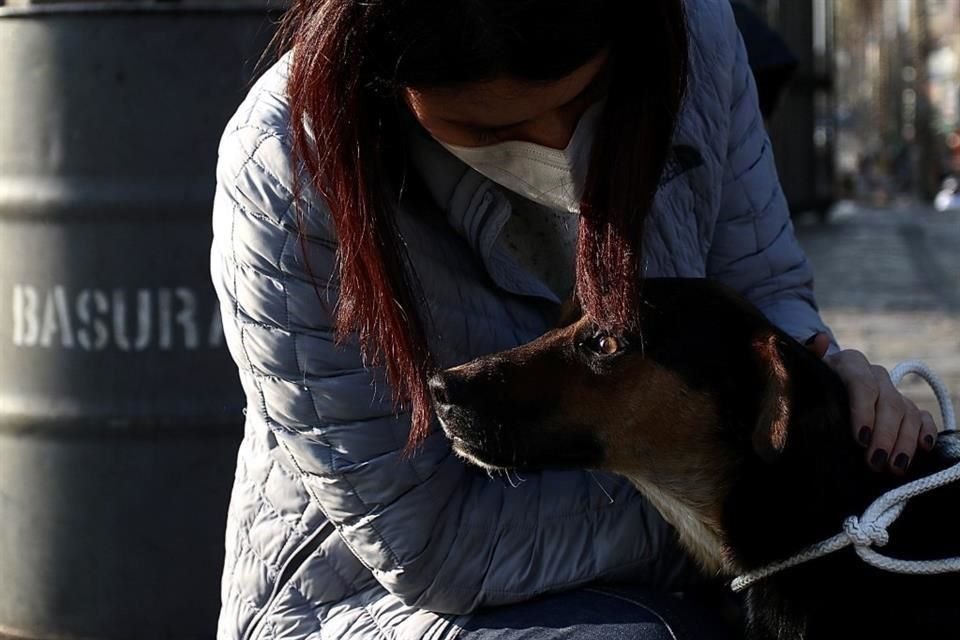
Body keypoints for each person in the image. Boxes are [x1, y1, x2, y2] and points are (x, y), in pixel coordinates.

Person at [209, 1, 940, 638]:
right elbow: (431, 548)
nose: (557, 146)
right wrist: (750, 491)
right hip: (378, 600)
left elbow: (762, 289)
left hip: (717, 552)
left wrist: (826, 388)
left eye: (583, 100)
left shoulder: (689, 29)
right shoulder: (285, 171)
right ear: (391, 85)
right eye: (487, 129)